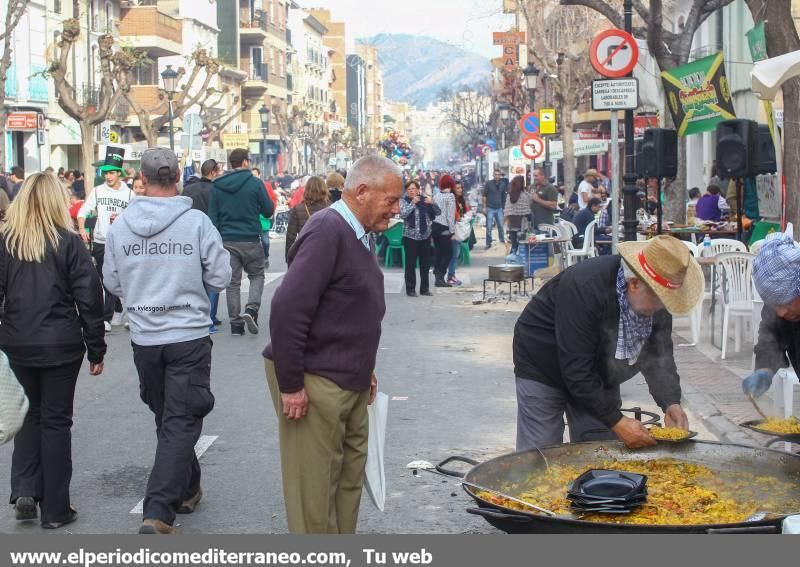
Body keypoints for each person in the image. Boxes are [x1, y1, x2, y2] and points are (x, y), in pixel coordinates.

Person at [263, 155, 402, 534]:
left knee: (346, 486)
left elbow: (343, 308)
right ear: (362, 191)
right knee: (315, 498)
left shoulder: (356, 231)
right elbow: (289, 305)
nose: (396, 209)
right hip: (315, 378)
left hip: (348, 377)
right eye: (391, 200)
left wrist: (364, 368)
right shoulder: (328, 229)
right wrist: (291, 384)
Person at [102, 148, 231, 535]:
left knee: (171, 417)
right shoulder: (196, 223)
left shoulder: (121, 225)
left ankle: (188, 488)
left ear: (141, 178)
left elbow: (111, 281)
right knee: (178, 419)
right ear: (177, 176)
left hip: (145, 337)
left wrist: (141, 294)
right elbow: (221, 276)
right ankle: (158, 509)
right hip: (188, 333)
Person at [513, 235, 701, 451]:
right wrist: (616, 421)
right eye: (660, 298)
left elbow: (659, 353)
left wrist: (670, 402)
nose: (663, 307)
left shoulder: (657, 302)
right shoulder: (585, 286)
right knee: (540, 453)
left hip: (600, 371)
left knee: (600, 449)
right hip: (543, 362)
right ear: (634, 284)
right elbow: (576, 369)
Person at [0, 173, 105, 529]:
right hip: (61, 341)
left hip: (16, 340)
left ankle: (26, 488)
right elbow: (88, 298)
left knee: (28, 415)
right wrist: (96, 348)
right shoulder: (69, 243)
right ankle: (57, 509)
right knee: (57, 421)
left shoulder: (8, 242)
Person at [209, 148, 274, 336]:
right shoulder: (255, 184)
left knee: (233, 283)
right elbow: (268, 210)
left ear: (231, 163)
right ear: (245, 162)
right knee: (257, 275)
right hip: (250, 238)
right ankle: (251, 309)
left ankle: (236, 323)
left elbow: (212, 217)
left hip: (227, 240)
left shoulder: (217, 186)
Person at [77, 146, 133, 332]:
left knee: (117, 277)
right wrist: (82, 227)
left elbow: (135, 217)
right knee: (104, 279)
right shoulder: (98, 191)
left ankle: (107, 317)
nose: (107, 176)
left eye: (111, 173)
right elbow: (83, 210)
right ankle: (117, 309)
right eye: (105, 172)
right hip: (101, 241)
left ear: (119, 173)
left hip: (122, 242)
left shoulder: (129, 194)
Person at [743, 234, 800, 400]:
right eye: (775, 305)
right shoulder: (777, 303)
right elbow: (771, 336)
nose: (781, 313)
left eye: (786, 303)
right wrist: (764, 368)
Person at [400, 180, 439, 296]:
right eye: (409, 189)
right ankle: (410, 289)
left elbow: (437, 212)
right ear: (406, 191)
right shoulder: (404, 201)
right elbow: (403, 214)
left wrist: (433, 203)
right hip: (410, 237)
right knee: (410, 264)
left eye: (413, 189)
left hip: (425, 236)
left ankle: (424, 289)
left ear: (418, 190)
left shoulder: (425, 200)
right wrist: (412, 203)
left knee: (425, 264)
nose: (411, 191)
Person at [285, 176, 330, 261]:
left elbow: (291, 236)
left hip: (304, 251)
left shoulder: (298, 209)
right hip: (326, 253)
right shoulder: (332, 208)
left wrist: (289, 258)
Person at [432, 174, 457, 288]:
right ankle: (440, 276)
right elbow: (450, 216)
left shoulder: (436, 195)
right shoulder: (450, 196)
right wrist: (452, 231)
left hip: (435, 227)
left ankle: (437, 275)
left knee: (438, 252)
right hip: (444, 228)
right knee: (448, 253)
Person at [252, 167, 279, 270]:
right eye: (252, 175)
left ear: (259, 175)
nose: (254, 177)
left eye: (255, 175)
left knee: (265, 240)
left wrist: (272, 210)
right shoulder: (248, 186)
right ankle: (257, 260)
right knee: (254, 241)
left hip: (264, 216)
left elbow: (273, 198)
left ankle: (266, 256)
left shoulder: (266, 185)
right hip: (253, 217)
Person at [446, 181, 470, 286]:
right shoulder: (452, 201)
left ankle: (452, 276)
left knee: (456, 255)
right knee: (454, 255)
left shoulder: (461, 200)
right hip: (453, 231)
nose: (459, 190)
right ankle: (450, 277)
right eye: (457, 188)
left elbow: (466, 212)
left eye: (460, 188)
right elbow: (452, 216)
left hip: (460, 230)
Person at [503, 176, 531, 257]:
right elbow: (528, 208)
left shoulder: (509, 195)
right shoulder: (526, 195)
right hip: (522, 224)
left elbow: (507, 211)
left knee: (514, 245)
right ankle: (522, 262)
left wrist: (504, 223)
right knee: (523, 244)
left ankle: (512, 261)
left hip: (512, 224)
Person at [482, 170, 507, 249]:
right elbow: (484, 196)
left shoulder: (503, 184)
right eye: (495, 174)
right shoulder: (488, 183)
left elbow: (504, 197)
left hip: (499, 208)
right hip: (490, 208)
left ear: (500, 175)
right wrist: (484, 207)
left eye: (498, 175)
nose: (497, 176)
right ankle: (488, 243)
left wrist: (504, 208)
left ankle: (502, 241)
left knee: (501, 226)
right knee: (489, 227)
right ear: (493, 175)